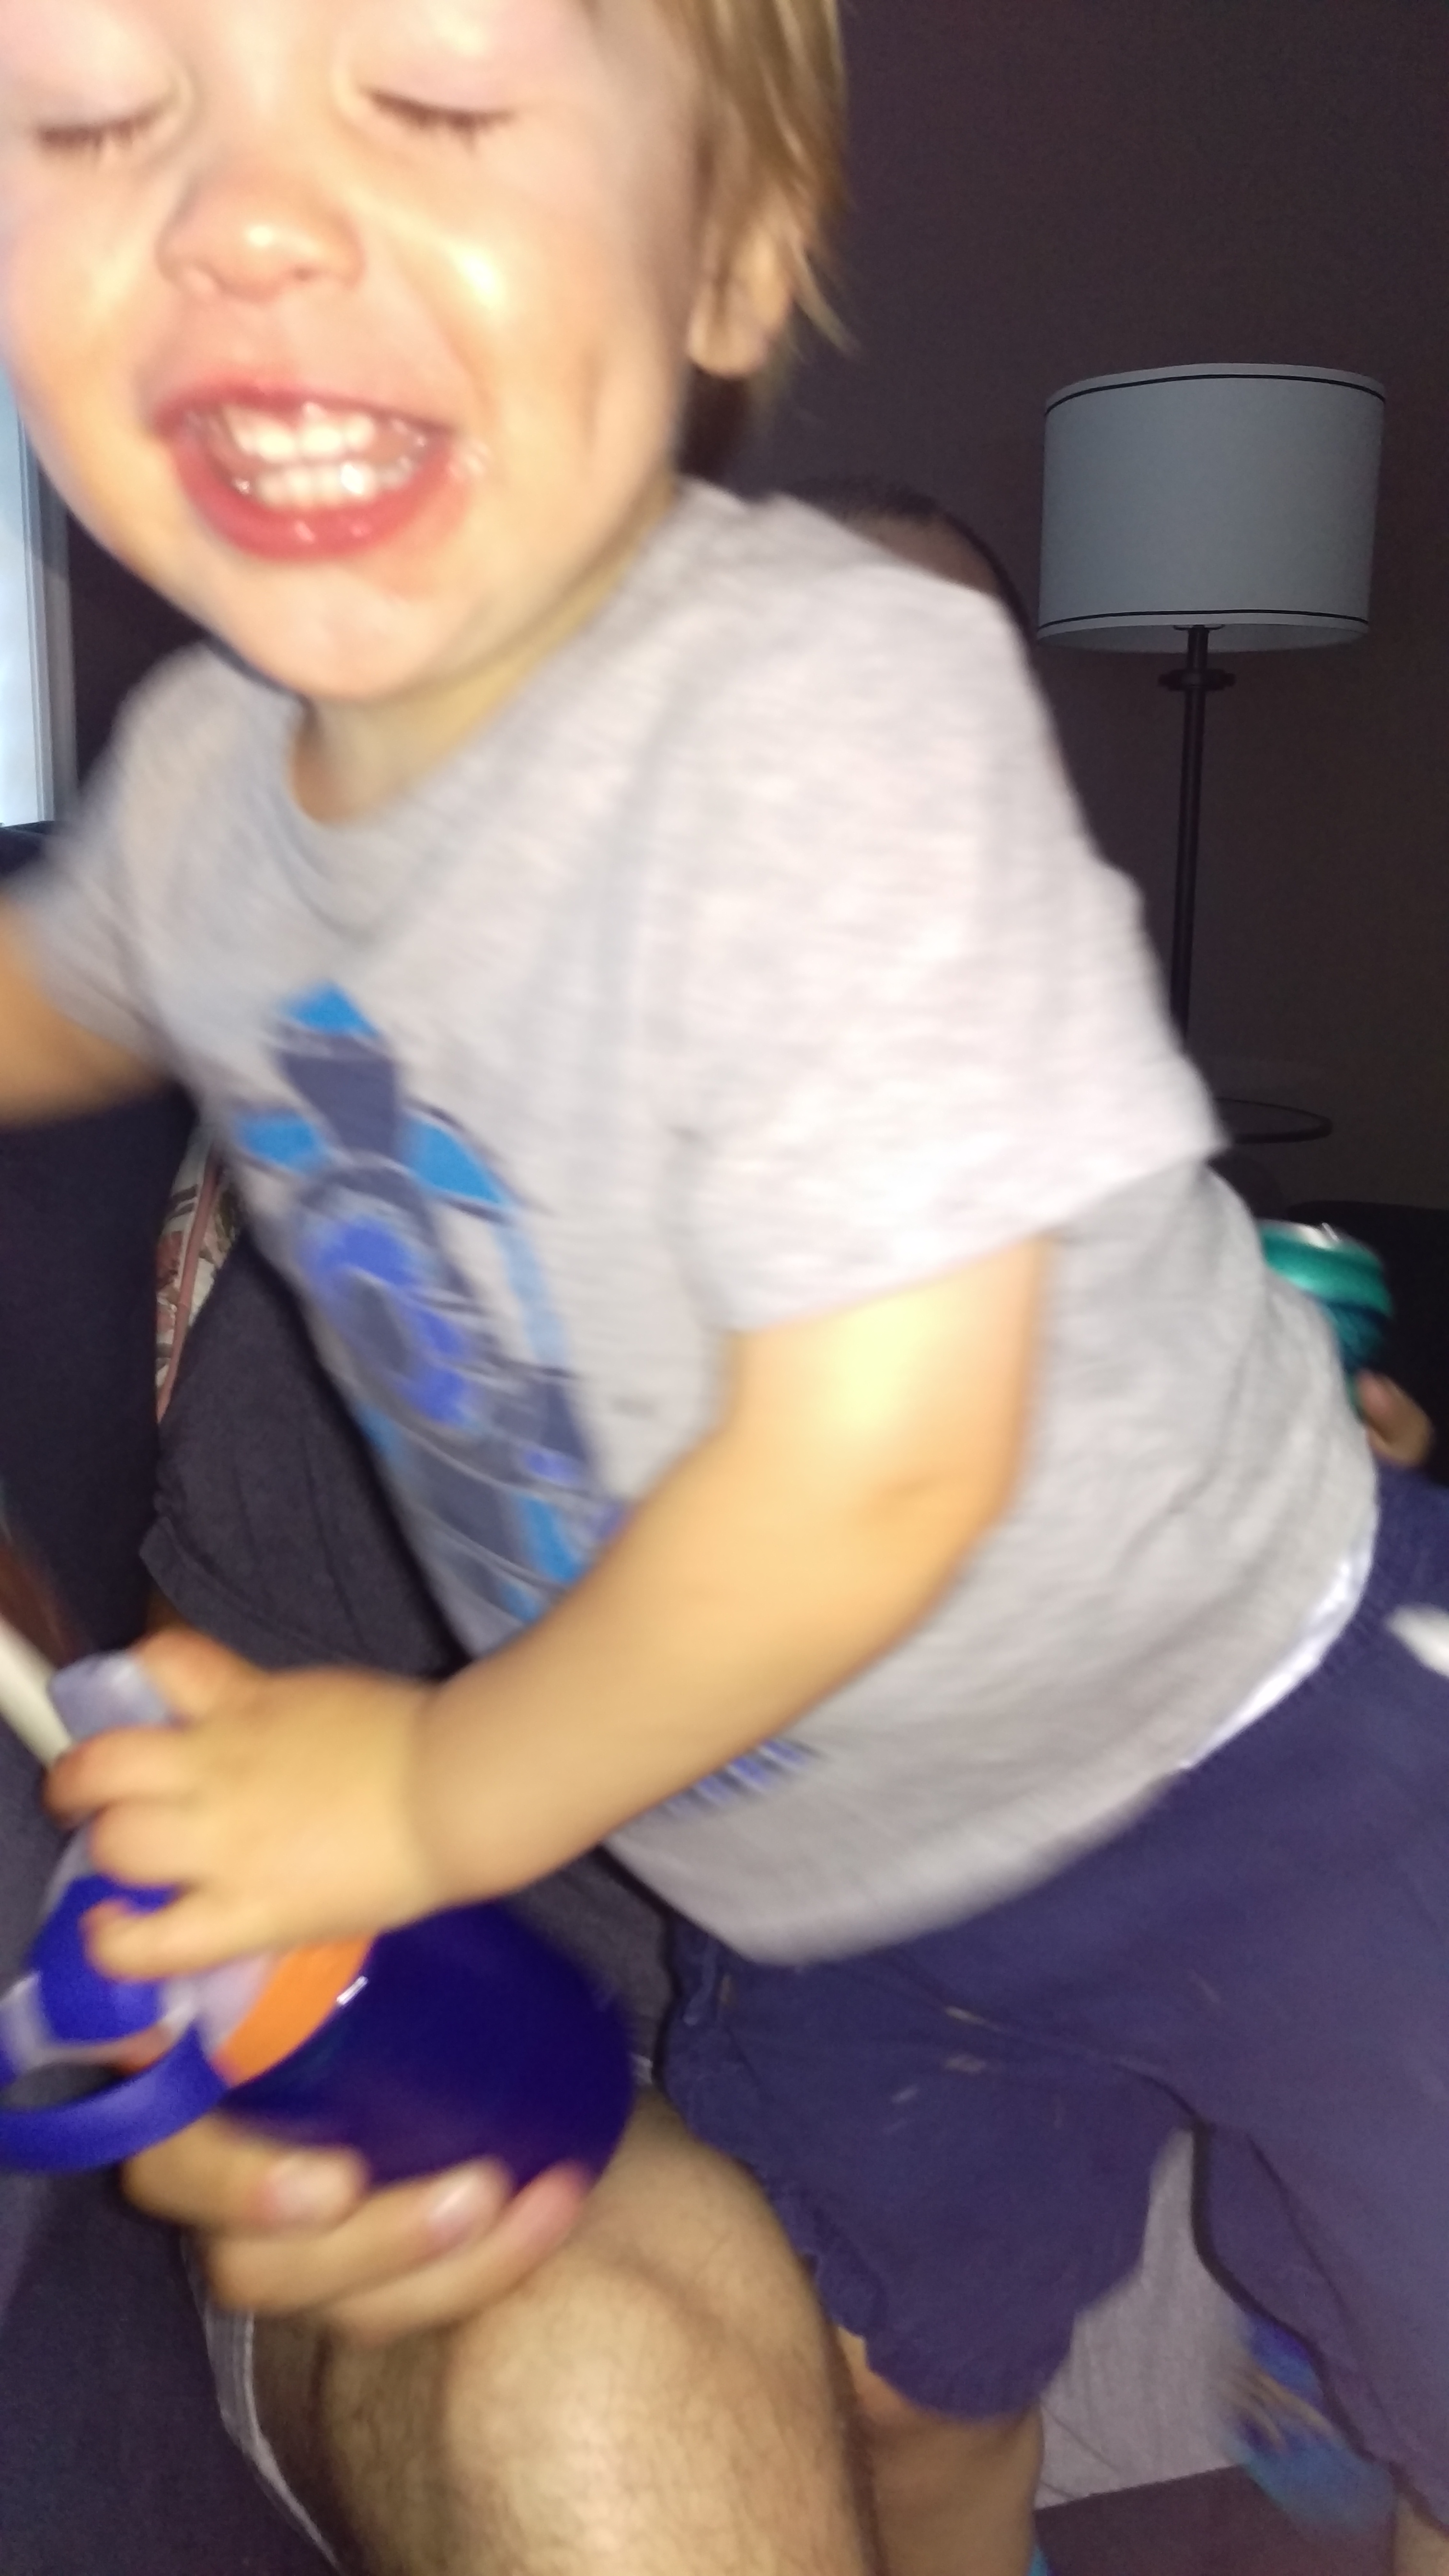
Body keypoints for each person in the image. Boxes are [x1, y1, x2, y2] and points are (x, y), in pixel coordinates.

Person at [0, 16, 1447, 2576]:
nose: (244, 217)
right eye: (98, 120)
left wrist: (424, 1797)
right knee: (883, 2407)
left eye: (438, 99)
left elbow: (880, 1467)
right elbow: (49, 1002)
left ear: (736, 253)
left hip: (1260, 1760)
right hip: (837, 1898)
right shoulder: (207, 789)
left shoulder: (821, 693)